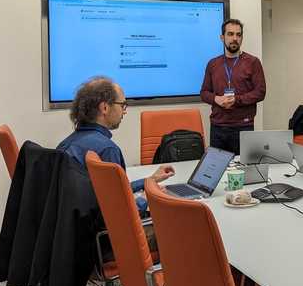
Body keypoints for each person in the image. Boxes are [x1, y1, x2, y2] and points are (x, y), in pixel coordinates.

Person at [57, 76, 174, 213]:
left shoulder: (66, 145)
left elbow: (112, 192)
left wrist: (149, 181)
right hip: (102, 230)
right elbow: (120, 212)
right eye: (122, 105)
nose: (124, 111)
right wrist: (145, 198)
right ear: (105, 107)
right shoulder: (107, 150)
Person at [200, 19, 266, 155]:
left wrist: (237, 100)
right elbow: (204, 93)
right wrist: (216, 99)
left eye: (238, 34)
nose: (235, 38)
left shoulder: (253, 62)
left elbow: (260, 92)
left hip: (244, 127)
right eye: (230, 34)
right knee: (218, 171)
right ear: (222, 37)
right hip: (218, 128)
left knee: (244, 171)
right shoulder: (213, 64)